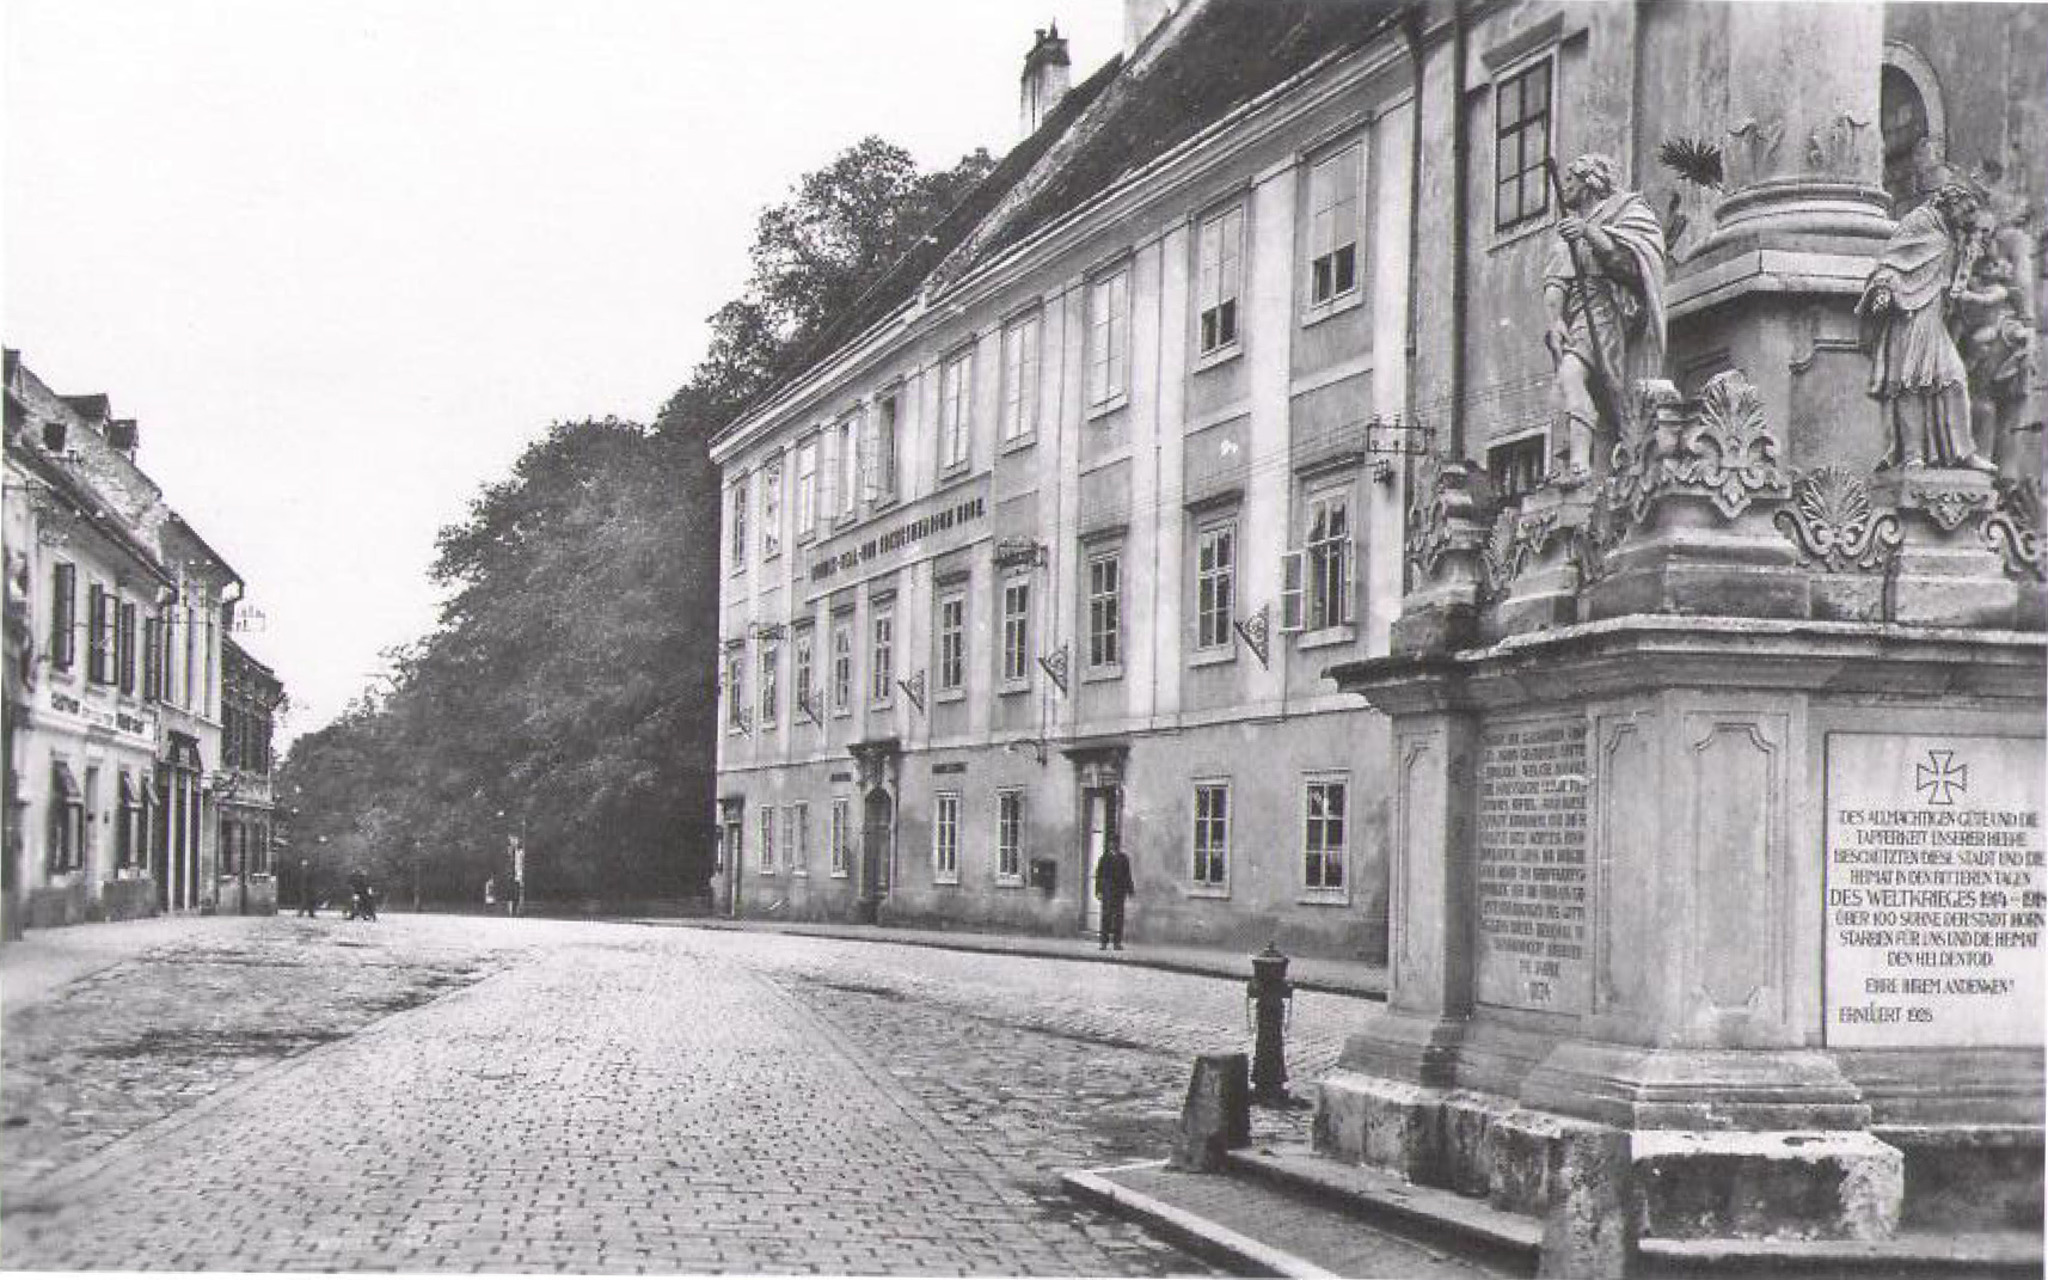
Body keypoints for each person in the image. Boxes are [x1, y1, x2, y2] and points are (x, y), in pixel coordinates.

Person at [1542, 153, 1668, 483]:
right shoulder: (1566, 232)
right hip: (1578, 313)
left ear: (1590, 182)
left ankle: (1582, 466)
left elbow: (1632, 262)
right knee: (1570, 385)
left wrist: (1588, 232)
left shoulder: (1626, 209)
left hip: (1609, 308)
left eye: (1571, 179)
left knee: (1573, 376)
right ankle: (1584, 462)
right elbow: (1556, 282)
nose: (1565, 186)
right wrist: (1555, 321)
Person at [1857, 181, 1996, 473]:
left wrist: (1967, 251)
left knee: (1953, 379)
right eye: (1966, 210)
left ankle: (1962, 452)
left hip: (1933, 319)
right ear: (1949, 201)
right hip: (1909, 313)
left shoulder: (1954, 234)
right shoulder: (1918, 222)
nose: (1968, 217)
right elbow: (1890, 262)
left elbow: (1955, 285)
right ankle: (1912, 455)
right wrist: (1883, 289)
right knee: (1909, 383)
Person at [1093, 839, 1134, 952]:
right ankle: (1103, 942)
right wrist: (1098, 891)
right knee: (1106, 917)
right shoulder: (1104, 858)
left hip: (1119, 893)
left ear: (1118, 845)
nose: (1114, 846)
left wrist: (1130, 890)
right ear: (1109, 845)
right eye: (1112, 844)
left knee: (1118, 918)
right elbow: (1098, 876)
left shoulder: (1124, 858)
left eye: (1116, 844)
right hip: (1107, 892)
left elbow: (1128, 875)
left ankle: (1117, 943)